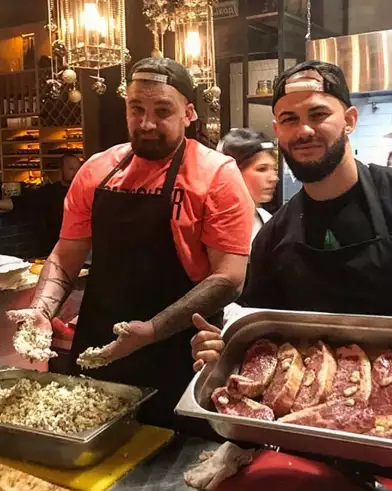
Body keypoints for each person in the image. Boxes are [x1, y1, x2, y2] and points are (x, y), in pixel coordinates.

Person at [191, 60, 392, 402]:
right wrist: (223, 345)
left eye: (318, 114)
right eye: (289, 119)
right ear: (277, 130)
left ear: (350, 120)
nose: (304, 130)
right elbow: (256, 333)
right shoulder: (273, 237)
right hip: (316, 417)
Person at [8, 57, 254, 430]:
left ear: (188, 113)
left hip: (179, 351)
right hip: (97, 348)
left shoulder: (217, 175)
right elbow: (67, 252)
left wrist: (151, 330)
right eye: (136, 109)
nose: (146, 123)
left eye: (162, 111)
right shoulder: (97, 169)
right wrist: (42, 310)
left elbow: (230, 278)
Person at [216, 128, 279, 325]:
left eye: (274, 169)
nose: (273, 178)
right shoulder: (213, 224)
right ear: (232, 172)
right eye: (262, 169)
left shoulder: (268, 220)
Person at [0, 152, 82, 257]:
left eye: (78, 169)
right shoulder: (49, 191)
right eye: (71, 169)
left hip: (83, 244)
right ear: (61, 170)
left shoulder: (86, 191)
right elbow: (19, 202)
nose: (76, 173)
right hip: (56, 247)